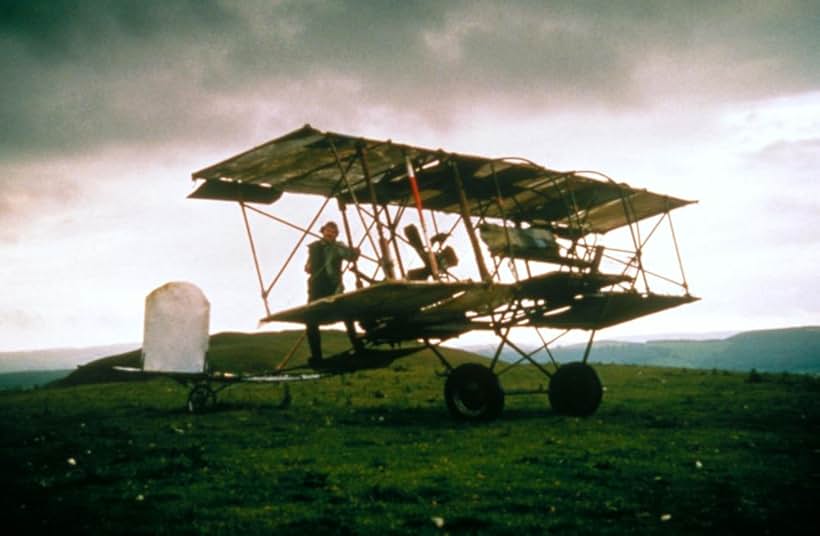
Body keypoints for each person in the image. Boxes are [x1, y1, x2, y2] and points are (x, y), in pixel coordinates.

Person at [304, 221, 360, 365]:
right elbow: (308, 266)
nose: (330, 234)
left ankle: (358, 346)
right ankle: (317, 357)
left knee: (347, 315)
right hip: (316, 287)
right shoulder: (315, 247)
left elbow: (350, 256)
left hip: (333, 287)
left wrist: (354, 252)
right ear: (323, 232)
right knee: (311, 321)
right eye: (328, 231)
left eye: (333, 232)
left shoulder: (338, 247)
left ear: (336, 235)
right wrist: (309, 266)